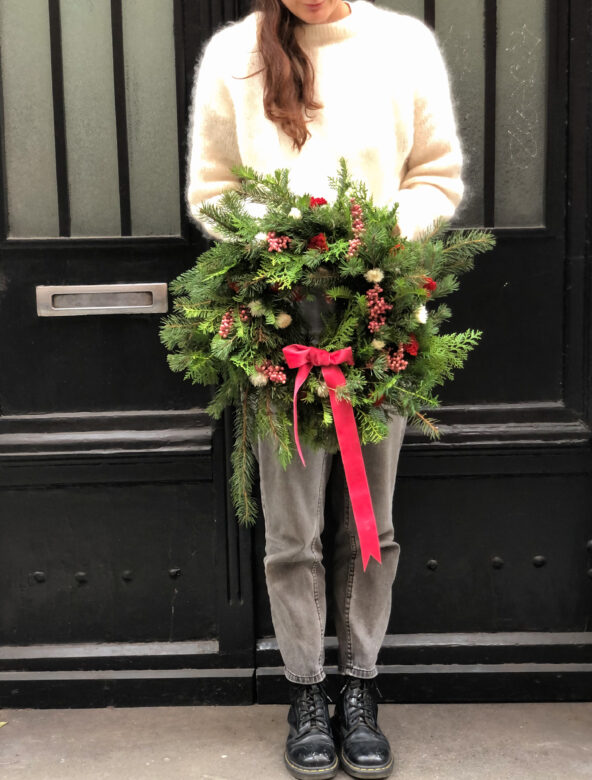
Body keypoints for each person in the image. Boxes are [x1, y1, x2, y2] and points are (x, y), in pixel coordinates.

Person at [186, 1, 464, 777]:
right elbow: (212, 188)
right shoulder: (234, 54)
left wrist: (371, 235)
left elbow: (435, 177)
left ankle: (361, 685)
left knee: (371, 523)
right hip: (278, 330)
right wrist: (287, 238)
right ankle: (307, 688)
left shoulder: (403, 46)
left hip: (378, 321)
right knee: (292, 528)